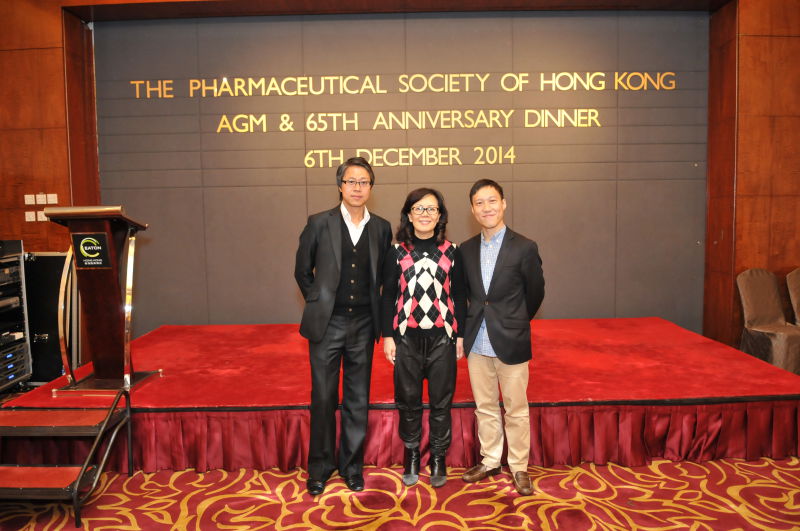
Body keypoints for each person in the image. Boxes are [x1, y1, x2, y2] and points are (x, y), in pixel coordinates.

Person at [294, 157, 392, 496]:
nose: (357, 188)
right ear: (340, 186)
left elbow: (383, 276)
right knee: (323, 397)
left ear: (371, 187)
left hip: (364, 323)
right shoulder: (319, 223)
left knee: (357, 398)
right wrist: (318, 301)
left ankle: (352, 467)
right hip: (328, 324)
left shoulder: (381, 228)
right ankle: (320, 468)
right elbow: (302, 271)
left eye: (364, 182)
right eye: (351, 181)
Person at [459, 179, 544, 496]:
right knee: (484, 407)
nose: (486, 208)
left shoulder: (524, 247)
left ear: (503, 203)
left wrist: (514, 321)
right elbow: (465, 295)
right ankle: (490, 460)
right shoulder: (466, 250)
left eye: (492, 201)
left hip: (511, 340)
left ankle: (519, 466)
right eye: (479, 203)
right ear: (472, 210)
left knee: (516, 408)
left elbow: (535, 293)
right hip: (477, 342)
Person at [381, 188, 466, 488]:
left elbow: (460, 296)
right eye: (418, 208)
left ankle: (439, 457)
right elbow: (388, 296)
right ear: (408, 214)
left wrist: (459, 336)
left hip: (443, 338)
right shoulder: (396, 251)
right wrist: (388, 336)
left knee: (442, 403)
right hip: (407, 338)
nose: (425, 214)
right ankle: (412, 454)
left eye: (431, 209)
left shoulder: (453, 251)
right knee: (409, 402)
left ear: (440, 215)